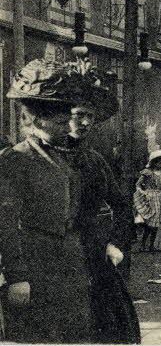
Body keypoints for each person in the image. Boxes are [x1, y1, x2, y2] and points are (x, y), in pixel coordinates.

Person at [0, 59, 96, 344]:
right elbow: (6, 223)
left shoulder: (67, 156)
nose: (68, 127)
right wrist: (17, 277)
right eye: (60, 122)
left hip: (71, 266)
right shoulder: (15, 160)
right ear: (38, 120)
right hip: (35, 266)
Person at [65, 69, 140, 344]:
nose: (85, 122)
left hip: (91, 250)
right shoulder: (38, 157)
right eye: (78, 115)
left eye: (90, 116)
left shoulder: (94, 160)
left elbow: (122, 205)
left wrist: (115, 243)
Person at [136, 150, 161, 251]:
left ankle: (152, 245)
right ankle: (142, 245)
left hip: (159, 199)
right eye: (160, 163)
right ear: (154, 162)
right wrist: (143, 192)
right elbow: (138, 184)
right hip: (150, 199)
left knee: (157, 225)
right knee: (149, 224)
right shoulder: (148, 173)